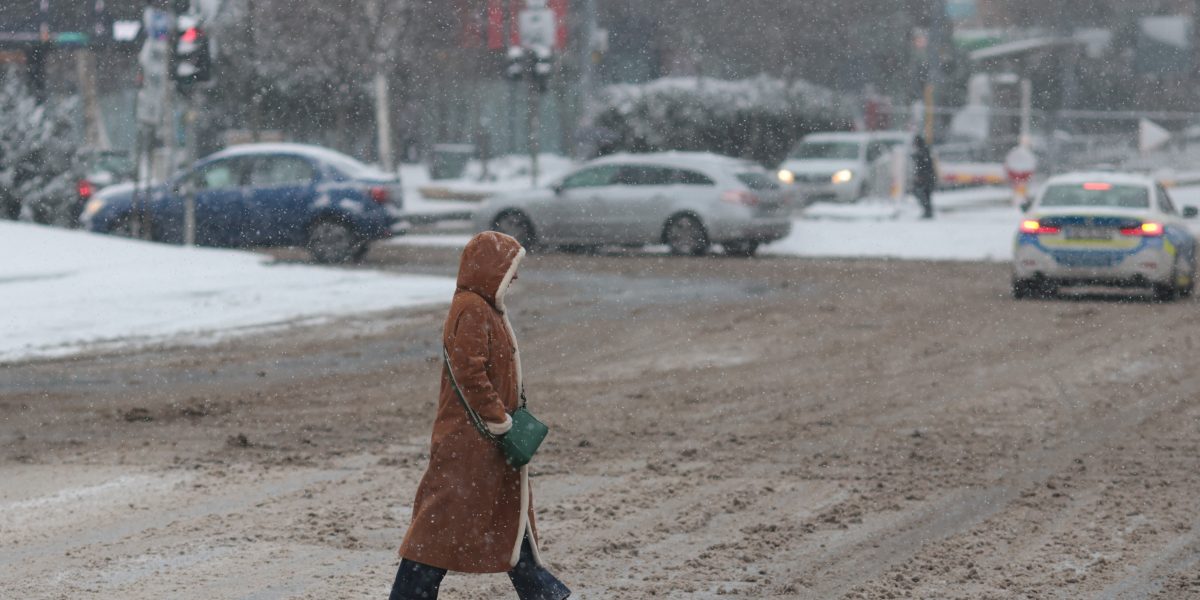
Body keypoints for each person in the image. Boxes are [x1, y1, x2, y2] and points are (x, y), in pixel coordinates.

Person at [391, 231, 570, 600]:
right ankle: (410, 595)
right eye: (510, 267)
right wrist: (499, 420)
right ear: (491, 267)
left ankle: (539, 588)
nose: (515, 276)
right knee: (440, 522)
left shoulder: (484, 306)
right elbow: (469, 372)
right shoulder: (471, 308)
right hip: (469, 441)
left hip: (485, 441)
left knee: (507, 514)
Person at [912, 135, 938, 219]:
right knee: (926, 195)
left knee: (921, 194)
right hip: (928, 177)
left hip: (925, 178)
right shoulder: (925, 151)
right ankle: (928, 211)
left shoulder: (922, 152)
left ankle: (927, 211)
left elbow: (924, 166)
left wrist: (920, 176)